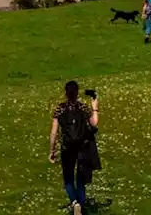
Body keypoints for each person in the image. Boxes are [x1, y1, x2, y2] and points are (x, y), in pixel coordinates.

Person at [49, 81, 100, 215]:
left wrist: (52, 151)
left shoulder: (59, 109)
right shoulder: (83, 107)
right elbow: (94, 123)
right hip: (82, 147)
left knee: (68, 178)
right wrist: (95, 107)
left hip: (67, 148)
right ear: (77, 93)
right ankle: (82, 205)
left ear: (66, 93)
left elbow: (54, 133)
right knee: (81, 179)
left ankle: (75, 202)